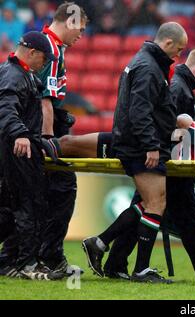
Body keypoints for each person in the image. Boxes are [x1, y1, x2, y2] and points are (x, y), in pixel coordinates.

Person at [81, 22, 188, 284]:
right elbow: (139, 111)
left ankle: (100, 242)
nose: (179, 55)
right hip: (140, 146)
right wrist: (151, 144)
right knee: (155, 204)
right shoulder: (149, 68)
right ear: (168, 43)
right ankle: (139, 268)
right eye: (179, 49)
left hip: (137, 143)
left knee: (152, 204)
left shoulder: (144, 63)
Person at [0, 31, 63, 280]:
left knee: (11, 208)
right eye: (44, 59)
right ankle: (26, 264)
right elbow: (5, 108)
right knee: (29, 205)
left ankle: (10, 262)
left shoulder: (20, 73)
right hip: (17, 151)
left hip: (20, 148)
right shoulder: (14, 75)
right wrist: (21, 134)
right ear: (33, 53)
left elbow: (22, 111)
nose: (44, 65)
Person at [37, 2, 88, 275]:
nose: (81, 35)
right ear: (69, 22)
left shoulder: (43, 44)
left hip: (26, 129)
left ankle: (30, 256)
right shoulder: (52, 50)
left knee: (28, 196)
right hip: (40, 132)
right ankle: (51, 256)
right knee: (64, 187)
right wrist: (48, 140)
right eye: (79, 29)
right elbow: (45, 101)